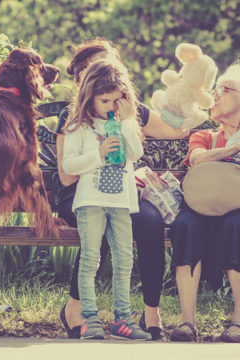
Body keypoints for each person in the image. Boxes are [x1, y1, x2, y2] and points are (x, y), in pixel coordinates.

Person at [57, 39, 188, 341]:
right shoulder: (75, 118)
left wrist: (199, 121)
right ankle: (82, 312)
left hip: (120, 196)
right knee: (96, 244)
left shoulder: (126, 110)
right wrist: (99, 154)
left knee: (145, 228)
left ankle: (140, 314)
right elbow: (67, 175)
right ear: (86, 79)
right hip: (84, 194)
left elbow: (168, 133)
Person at [62, 59, 150, 340]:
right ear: (90, 96)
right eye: (104, 100)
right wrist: (98, 154)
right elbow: (70, 166)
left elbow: (135, 154)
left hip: (122, 202)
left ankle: (122, 318)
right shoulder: (79, 126)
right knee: (91, 259)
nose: (110, 106)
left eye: (116, 100)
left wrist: (125, 122)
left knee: (124, 259)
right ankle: (89, 318)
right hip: (90, 202)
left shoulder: (126, 124)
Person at [170, 62, 240, 343]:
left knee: (237, 226)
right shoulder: (205, 136)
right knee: (186, 225)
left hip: (236, 209)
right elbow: (196, 159)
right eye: (217, 90)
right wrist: (234, 147)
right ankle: (187, 322)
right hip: (200, 205)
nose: (216, 95)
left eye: (225, 89)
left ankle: (238, 321)